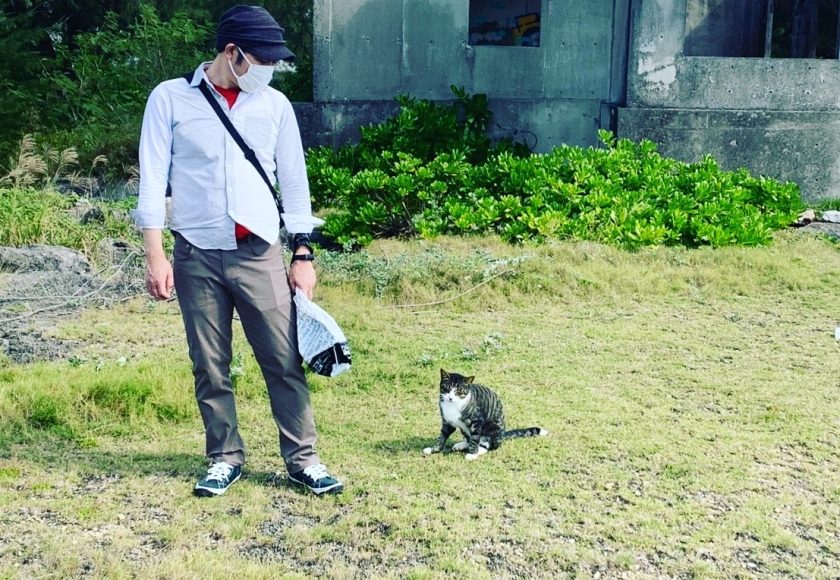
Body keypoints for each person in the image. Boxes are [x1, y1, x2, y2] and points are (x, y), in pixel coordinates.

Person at [134, 5, 342, 497]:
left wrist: (303, 254)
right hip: (196, 254)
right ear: (232, 53)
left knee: (283, 358)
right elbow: (152, 180)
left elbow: (295, 184)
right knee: (209, 363)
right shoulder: (170, 99)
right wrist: (155, 254)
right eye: (262, 59)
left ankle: (303, 459)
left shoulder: (274, 105)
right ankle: (224, 456)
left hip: (259, 253)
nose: (269, 69)